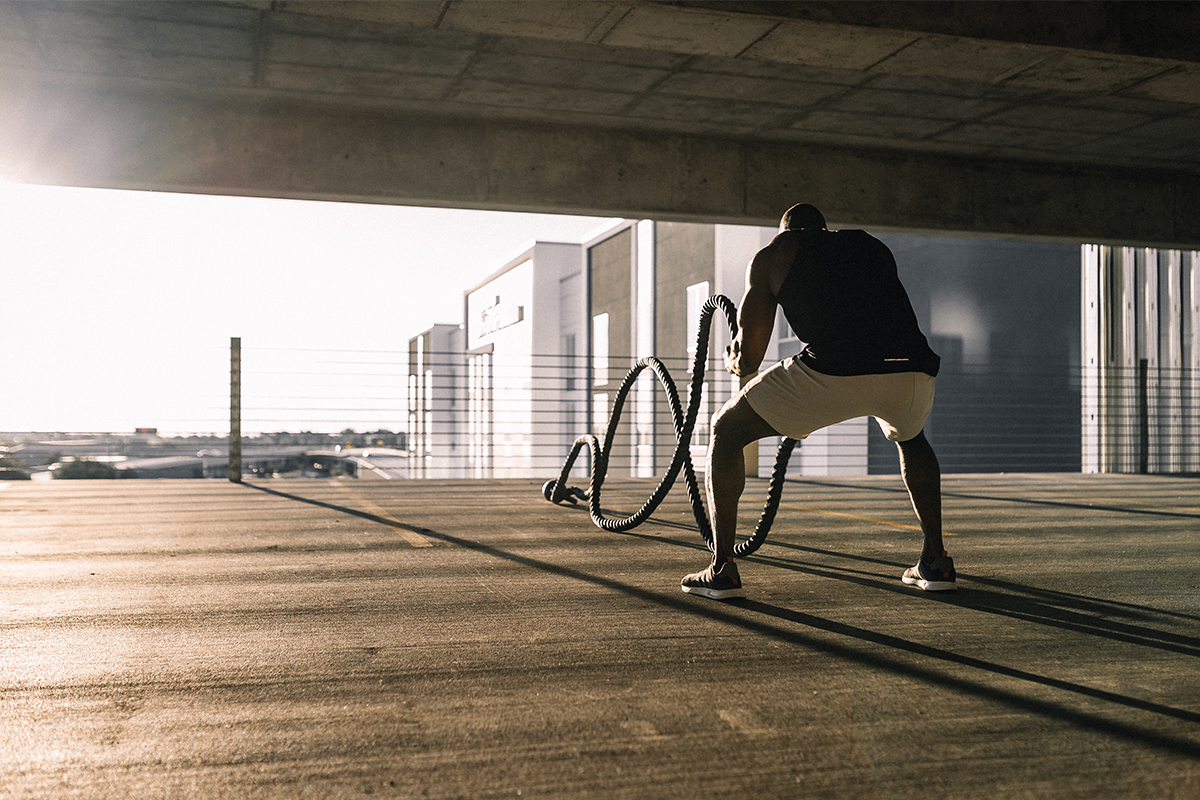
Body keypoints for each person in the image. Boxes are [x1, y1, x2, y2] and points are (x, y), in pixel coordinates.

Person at [681, 203, 955, 599]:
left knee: (726, 429)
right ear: (824, 230)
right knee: (912, 440)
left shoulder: (774, 253)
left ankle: (721, 568)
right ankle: (936, 561)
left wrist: (733, 357)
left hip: (835, 370)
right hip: (911, 368)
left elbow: (751, 357)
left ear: (785, 230)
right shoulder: (869, 245)